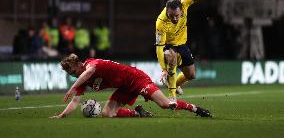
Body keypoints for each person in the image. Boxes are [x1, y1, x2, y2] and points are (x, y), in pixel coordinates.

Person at [50, 54, 212, 118]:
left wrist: (71, 87)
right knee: (107, 113)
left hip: (137, 79)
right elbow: (75, 102)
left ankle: (195, 109)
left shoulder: (91, 64)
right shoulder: (82, 79)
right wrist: (61, 115)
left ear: (78, 64)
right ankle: (139, 113)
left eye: (72, 71)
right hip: (124, 88)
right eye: (70, 74)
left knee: (164, 104)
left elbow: (89, 72)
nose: (73, 75)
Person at [155, 0, 205, 103]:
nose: (175, 19)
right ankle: (172, 97)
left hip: (182, 45)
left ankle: (174, 84)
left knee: (191, 75)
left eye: (177, 15)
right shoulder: (161, 21)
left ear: (181, 10)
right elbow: (159, 47)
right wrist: (163, 69)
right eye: (171, 16)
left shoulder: (184, 4)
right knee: (171, 58)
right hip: (169, 45)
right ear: (167, 12)